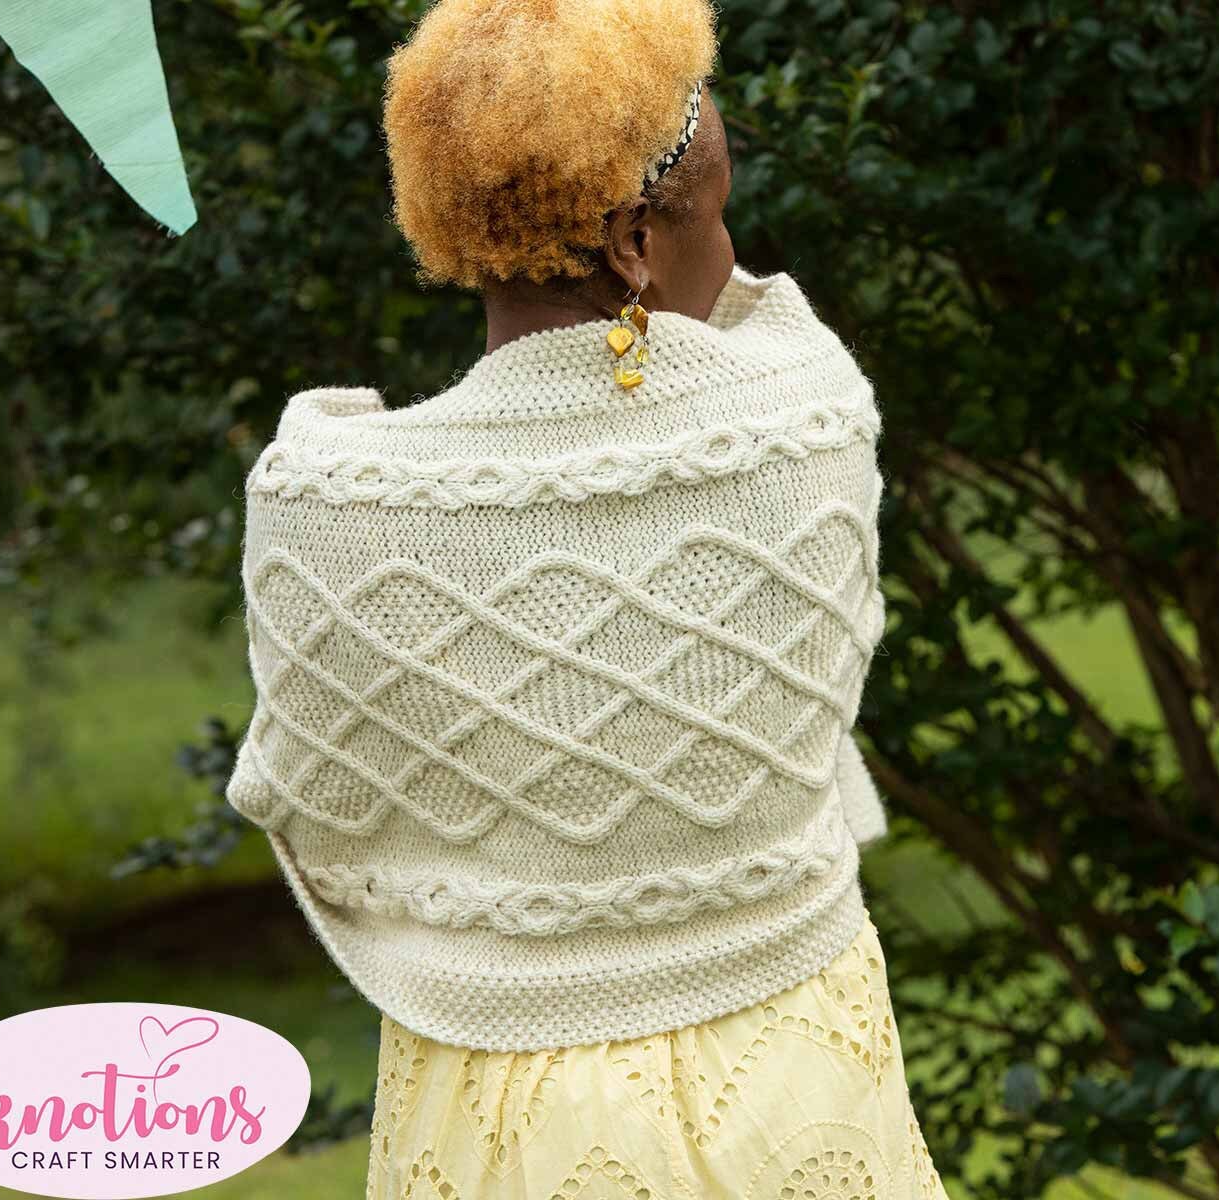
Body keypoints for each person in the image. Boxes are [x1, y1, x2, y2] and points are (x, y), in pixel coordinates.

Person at [223, 0, 947, 1194]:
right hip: (796, 1057)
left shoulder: (324, 502)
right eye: (715, 213)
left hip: (503, 1090)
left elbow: (302, 797)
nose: (734, 251)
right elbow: (772, 319)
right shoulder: (812, 421)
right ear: (632, 244)